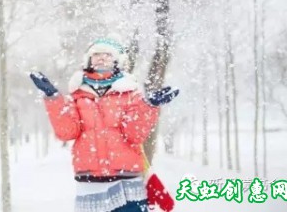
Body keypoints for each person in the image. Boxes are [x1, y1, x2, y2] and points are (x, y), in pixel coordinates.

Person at [29, 38, 179, 212]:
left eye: (107, 55)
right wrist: (53, 98)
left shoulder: (130, 92)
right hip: (91, 181)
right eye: (96, 54)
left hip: (126, 179)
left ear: (116, 60)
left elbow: (134, 134)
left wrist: (148, 106)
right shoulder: (78, 93)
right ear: (88, 60)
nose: (101, 58)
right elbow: (66, 132)